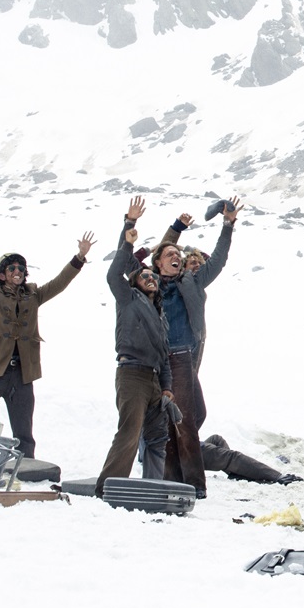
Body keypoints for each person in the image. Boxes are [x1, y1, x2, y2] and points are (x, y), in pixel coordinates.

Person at [0, 216, 94, 459]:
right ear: (2, 275)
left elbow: (59, 283)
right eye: (12, 268)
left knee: (24, 432)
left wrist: (79, 258)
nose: (18, 271)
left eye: (21, 268)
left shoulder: (33, 295)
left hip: (23, 374)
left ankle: (26, 470)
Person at [147, 199, 241, 496]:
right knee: (182, 419)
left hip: (182, 356)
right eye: (170, 255)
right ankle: (191, 484)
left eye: (179, 254)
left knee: (190, 416)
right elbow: (156, 252)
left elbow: (218, 261)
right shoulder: (148, 283)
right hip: (159, 359)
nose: (176, 257)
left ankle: (180, 477)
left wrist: (227, 225)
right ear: (159, 263)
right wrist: (175, 230)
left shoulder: (192, 280)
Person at [96, 197, 173, 497]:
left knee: (156, 436)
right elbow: (114, 273)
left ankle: (152, 486)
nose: (151, 277)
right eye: (145, 275)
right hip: (131, 374)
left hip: (153, 378)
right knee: (129, 432)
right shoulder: (127, 299)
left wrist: (166, 387)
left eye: (154, 276)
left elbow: (164, 355)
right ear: (135, 282)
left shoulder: (159, 314)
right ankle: (108, 487)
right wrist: (129, 229)